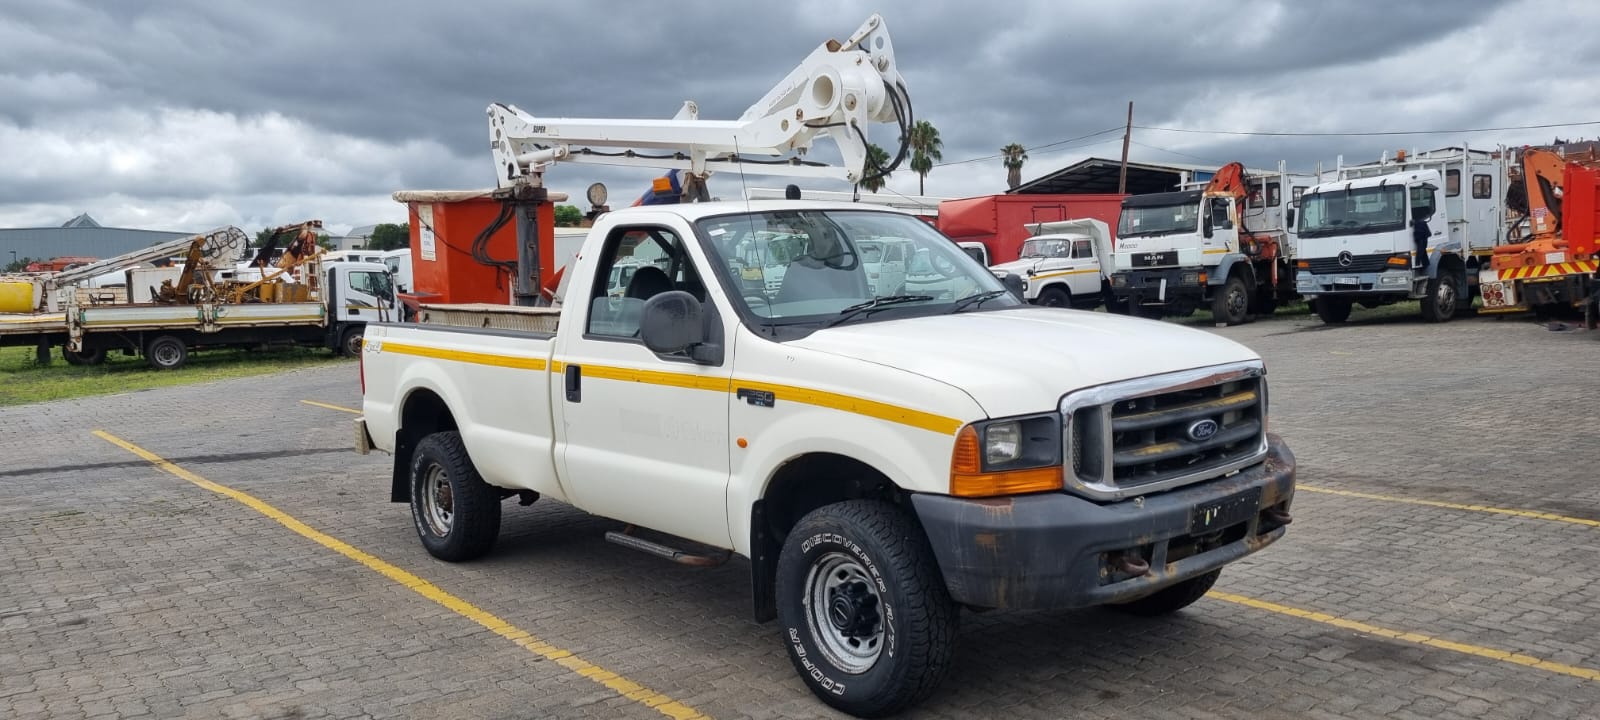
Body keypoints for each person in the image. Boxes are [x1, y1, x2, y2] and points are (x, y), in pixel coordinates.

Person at [1411, 206, 1431, 272]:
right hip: (1422, 237)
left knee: (1421, 250)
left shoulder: (1418, 223)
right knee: (1422, 250)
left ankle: (1419, 263)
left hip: (1420, 238)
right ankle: (1422, 264)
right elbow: (1428, 233)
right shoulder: (1422, 222)